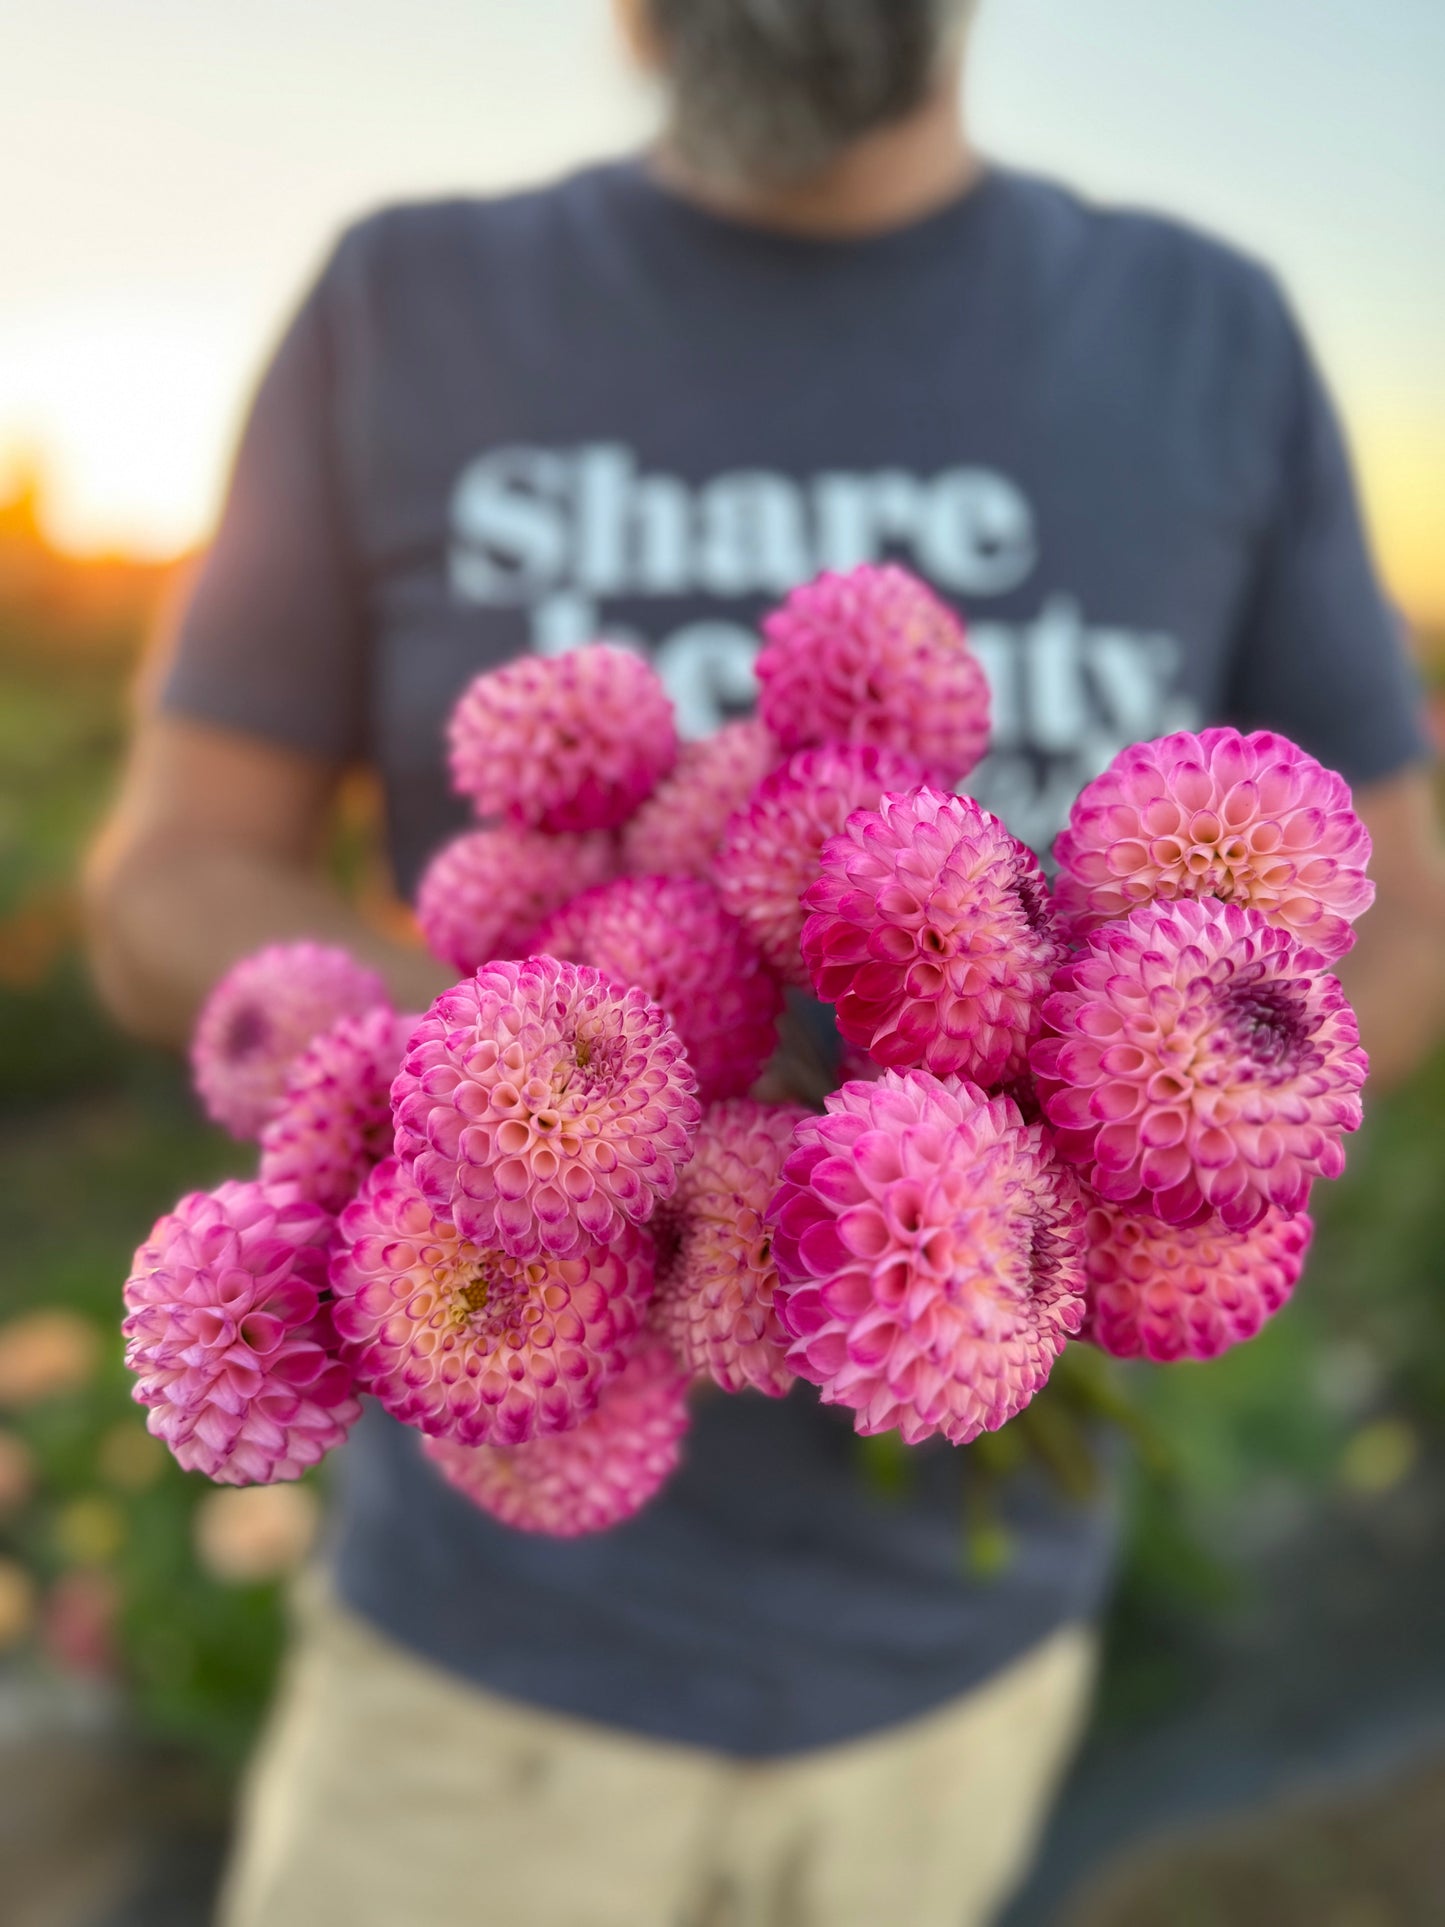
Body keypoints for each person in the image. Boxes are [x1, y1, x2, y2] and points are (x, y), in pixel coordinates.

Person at [86, 2, 1444, 1922]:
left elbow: (1404, 895)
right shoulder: (403, 304)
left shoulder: (1210, 330)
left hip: (962, 1679)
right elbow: (173, 871)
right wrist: (426, 1067)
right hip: (478, 1709)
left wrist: (1133, 1156)